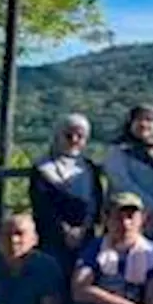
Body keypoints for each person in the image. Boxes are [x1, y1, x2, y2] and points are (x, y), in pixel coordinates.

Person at [29, 113, 104, 288]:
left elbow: (95, 201)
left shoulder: (89, 167)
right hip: (51, 237)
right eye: (68, 135)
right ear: (58, 135)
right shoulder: (42, 168)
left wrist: (84, 229)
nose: (74, 140)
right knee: (53, 284)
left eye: (80, 136)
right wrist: (65, 231)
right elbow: (42, 205)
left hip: (86, 238)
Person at [103, 105, 153, 242]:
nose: (144, 124)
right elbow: (122, 183)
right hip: (125, 218)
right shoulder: (118, 150)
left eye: (149, 120)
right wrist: (150, 207)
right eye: (139, 119)